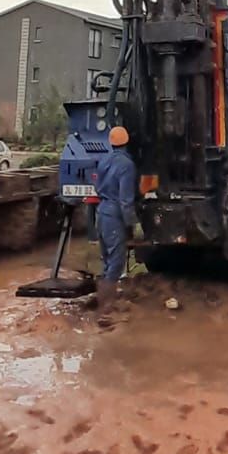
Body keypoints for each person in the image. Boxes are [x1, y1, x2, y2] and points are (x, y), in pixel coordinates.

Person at [93, 125, 138, 321]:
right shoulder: (127, 165)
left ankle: (102, 299)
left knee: (107, 259)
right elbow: (126, 200)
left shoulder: (104, 160)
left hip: (100, 213)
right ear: (128, 141)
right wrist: (132, 224)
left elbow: (97, 187)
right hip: (114, 215)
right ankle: (106, 309)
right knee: (117, 261)